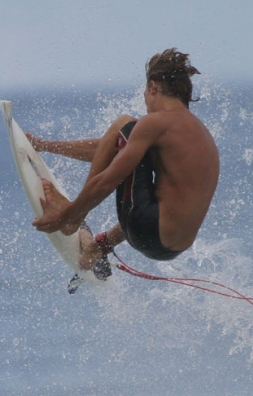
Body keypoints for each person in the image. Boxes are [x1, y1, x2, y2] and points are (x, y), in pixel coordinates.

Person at [29, 48, 219, 278]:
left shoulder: (156, 122)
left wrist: (65, 217)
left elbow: (107, 181)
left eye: (146, 93)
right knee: (130, 139)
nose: (146, 101)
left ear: (153, 87)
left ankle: (74, 220)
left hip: (148, 229)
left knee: (124, 124)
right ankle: (97, 248)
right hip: (171, 247)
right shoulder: (201, 135)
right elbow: (112, 149)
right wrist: (45, 145)